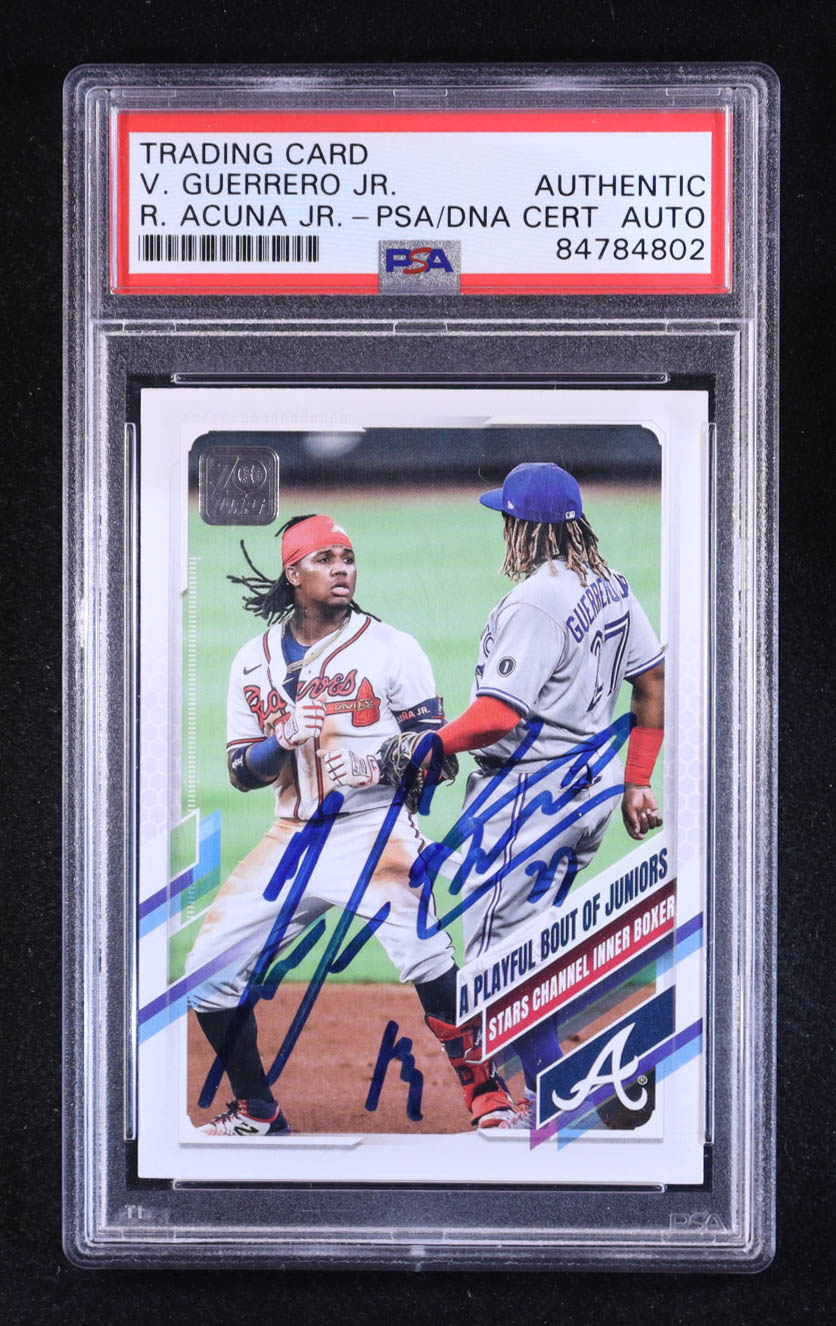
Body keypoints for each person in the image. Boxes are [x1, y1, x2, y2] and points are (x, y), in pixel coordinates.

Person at [185, 513, 519, 1135]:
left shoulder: (392, 649)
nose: (342, 569)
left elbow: (439, 757)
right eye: (325, 559)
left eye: (348, 557)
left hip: (374, 831)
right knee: (207, 974)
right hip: (291, 837)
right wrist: (280, 742)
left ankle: (490, 1098)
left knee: (426, 956)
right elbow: (240, 772)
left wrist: (379, 763)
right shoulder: (252, 662)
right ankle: (258, 1110)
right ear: (293, 574)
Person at [419, 463, 665, 1113]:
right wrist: (639, 780)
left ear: (522, 528)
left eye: (507, 519)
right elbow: (653, 680)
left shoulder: (535, 601)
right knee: (531, 946)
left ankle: (559, 1096)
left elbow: (499, 715)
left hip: (532, 799)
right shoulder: (609, 582)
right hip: (592, 792)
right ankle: (553, 1081)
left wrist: (433, 745)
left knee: (499, 963)